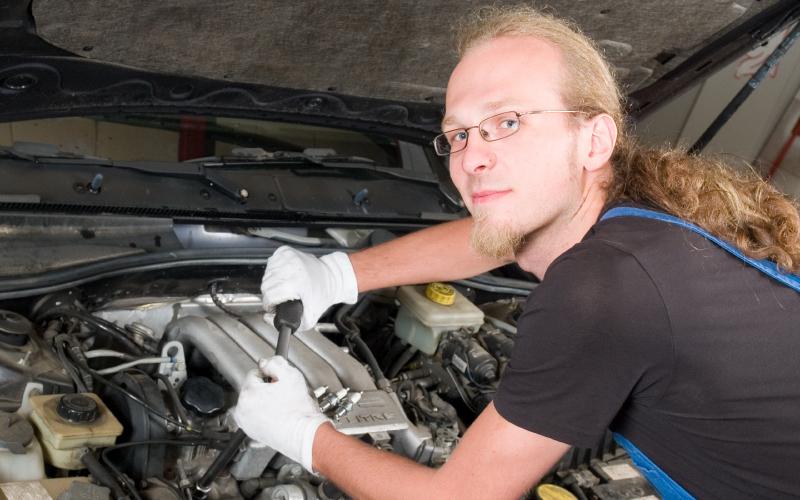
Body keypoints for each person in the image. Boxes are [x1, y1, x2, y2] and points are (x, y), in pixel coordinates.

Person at [234, 6, 800, 499]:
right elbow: (498, 233)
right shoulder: (647, 216)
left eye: (507, 122)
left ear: (594, 140)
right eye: (458, 135)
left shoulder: (603, 287)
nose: (472, 159)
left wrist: (304, 435)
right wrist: (338, 274)